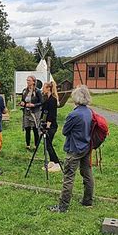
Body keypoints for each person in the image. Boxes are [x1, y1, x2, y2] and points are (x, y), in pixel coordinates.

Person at [49, 85, 93, 213]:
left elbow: (65, 131)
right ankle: (88, 200)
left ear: (77, 99)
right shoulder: (89, 112)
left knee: (68, 176)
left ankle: (63, 206)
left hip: (74, 148)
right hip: (86, 146)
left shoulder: (74, 114)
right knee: (87, 174)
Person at [41, 81, 61, 172]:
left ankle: (57, 163)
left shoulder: (52, 100)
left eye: (44, 87)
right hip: (46, 124)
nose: (42, 89)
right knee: (47, 144)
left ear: (48, 88)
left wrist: (47, 126)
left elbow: (52, 114)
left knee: (49, 145)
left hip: (51, 126)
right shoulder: (47, 99)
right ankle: (52, 161)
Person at [20, 75, 43, 150]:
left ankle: (36, 145)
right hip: (26, 112)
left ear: (33, 82)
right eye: (27, 80)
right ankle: (28, 145)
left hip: (35, 112)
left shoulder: (37, 91)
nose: (27, 82)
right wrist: (22, 103)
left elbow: (42, 102)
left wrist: (34, 105)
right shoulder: (24, 90)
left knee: (35, 129)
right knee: (27, 128)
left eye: (29, 80)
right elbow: (22, 100)